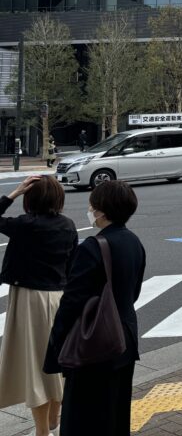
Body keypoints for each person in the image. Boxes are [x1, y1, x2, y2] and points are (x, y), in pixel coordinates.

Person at [44, 180, 146, 435]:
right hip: (124, 338)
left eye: (92, 204)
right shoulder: (134, 242)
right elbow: (133, 292)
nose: (90, 208)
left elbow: (71, 303)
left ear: (101, 211)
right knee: (115, 413)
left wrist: (56, 348)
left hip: (94, 345)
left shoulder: (93, 247)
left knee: (83, 417)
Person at [0, 176, 78, 436]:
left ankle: (42, 432)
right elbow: (72, 266)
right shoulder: (68, 225)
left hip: (29, 299)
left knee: (35, 368)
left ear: (30, 198)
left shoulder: (26, 225)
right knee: (55, 362)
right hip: (58, 297)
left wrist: (13, 193)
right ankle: (54, 420)